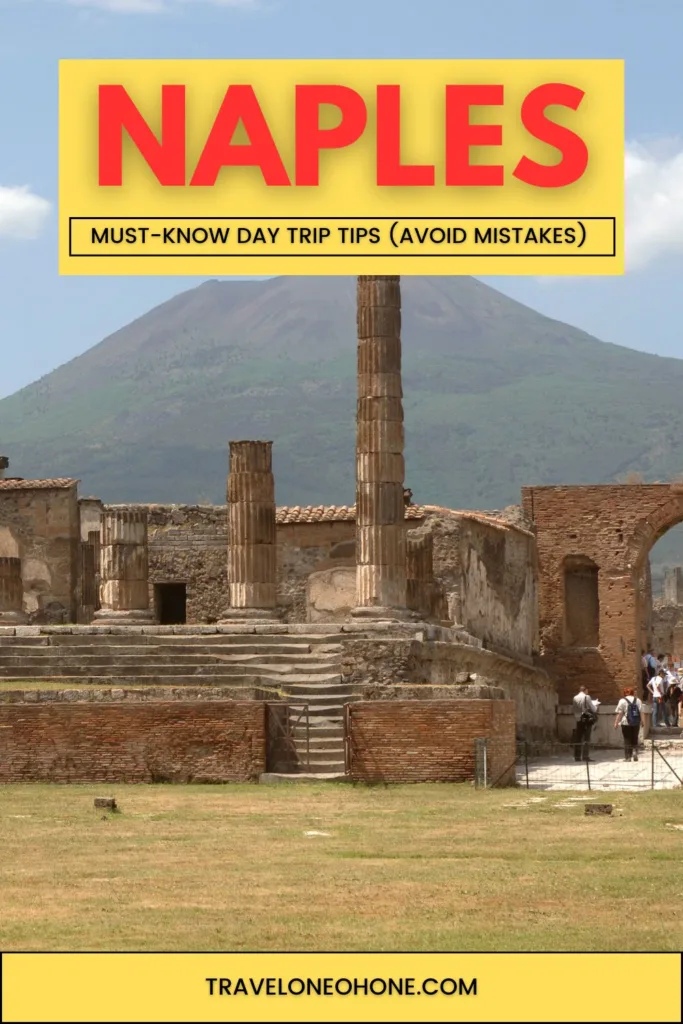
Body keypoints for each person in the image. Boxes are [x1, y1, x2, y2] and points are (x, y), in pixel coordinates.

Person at [614, 687, 643, 761]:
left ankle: (628, 757)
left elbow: (620, 713)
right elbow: (641, 712)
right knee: (635, 738)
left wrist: (616, 722)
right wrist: (642, 721)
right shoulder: (638, 700)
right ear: (633, 693)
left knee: (627, 739)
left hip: (626, 722)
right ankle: (635, 752)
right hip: (636, 722)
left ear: (625, 693)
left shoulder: (622, 701)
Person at [572, 685, 598, 762]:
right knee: (586, 738)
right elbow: (593, 709)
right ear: (585, 690)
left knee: (578, 738)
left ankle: (577, 756)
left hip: (578, 719)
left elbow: (574, 709)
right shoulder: (587, 697)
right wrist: (596, 704)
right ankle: (585, 756)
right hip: (586, 719)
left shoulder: (575, 697)